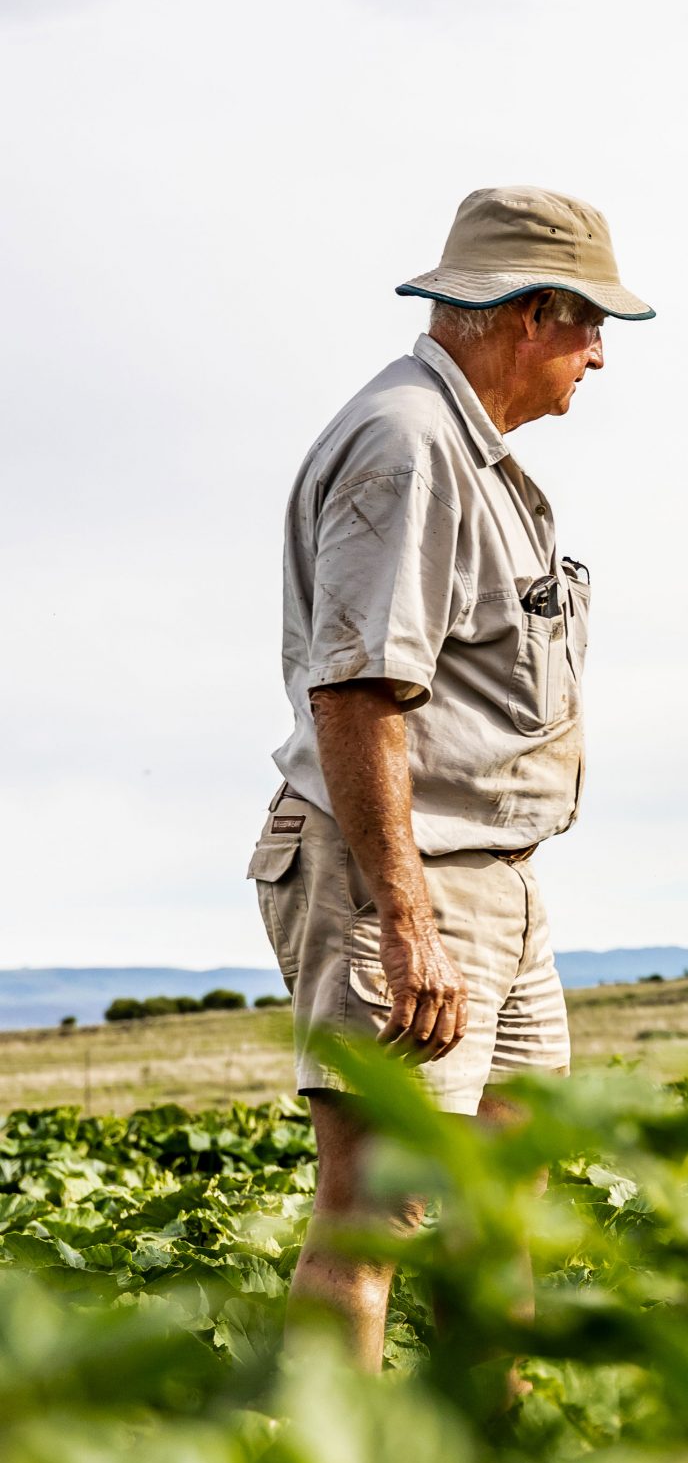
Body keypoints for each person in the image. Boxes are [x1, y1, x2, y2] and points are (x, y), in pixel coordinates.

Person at [247, 187, 652, 1367]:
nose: (598, 356)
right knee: (381, 1212)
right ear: (531, 313)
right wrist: (407, 919)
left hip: (496, 881)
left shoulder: (475, 453)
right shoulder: (411, 444)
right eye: (589, 325)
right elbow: (358, 693)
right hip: (408, 877)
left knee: (498, 1200)